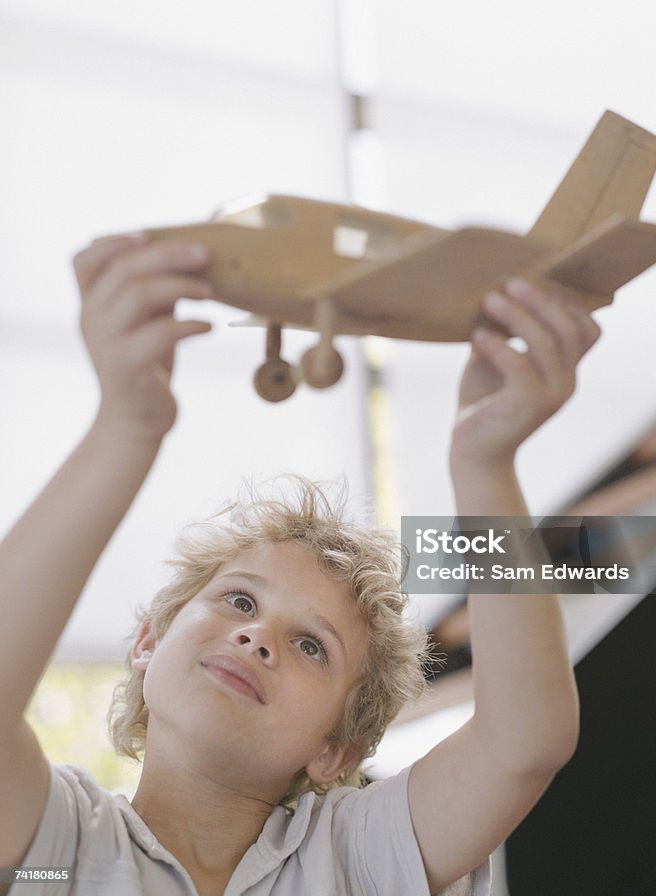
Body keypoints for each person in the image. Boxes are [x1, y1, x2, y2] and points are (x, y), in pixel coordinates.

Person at [0, 233, 600, 895]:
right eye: (238, 600)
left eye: (312, 646)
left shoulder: (358, 860)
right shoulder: (59, 853)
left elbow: (524, 744)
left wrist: (483, 466)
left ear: (333, 752)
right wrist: (126, 427)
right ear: (148, 639)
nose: (257, 638)